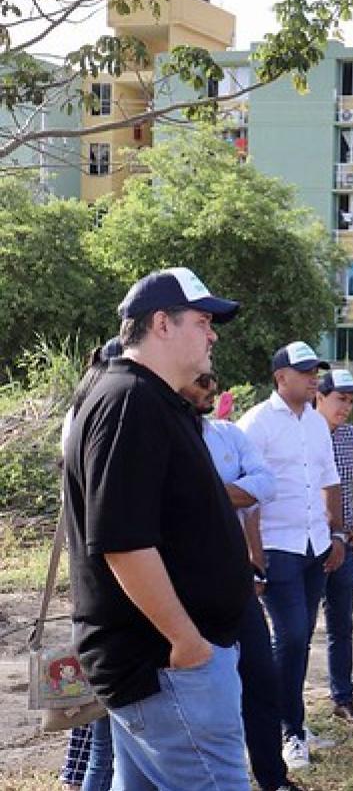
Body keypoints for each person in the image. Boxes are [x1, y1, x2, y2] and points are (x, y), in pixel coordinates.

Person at [62, 267, 252, 789]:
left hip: (162, 668)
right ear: (162, 324)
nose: (212, 334)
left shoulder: (145, 397)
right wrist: (186, 642)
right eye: (203, 320)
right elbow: (123, 544)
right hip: (169, 667)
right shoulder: (130, 401)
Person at [183, 371, 300, 791]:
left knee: (261, 678)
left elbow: (266, 484)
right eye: (199, 381)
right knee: (201, 690)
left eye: (210, 380)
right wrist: (233, 491)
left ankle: (272, 777)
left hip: (235, 578)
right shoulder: (164, 436)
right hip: (182, 584)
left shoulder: (227, 435)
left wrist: (211, 492)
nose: (208, 388)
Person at [239, 341, 343, 770]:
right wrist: (254, 555)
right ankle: (286, 731)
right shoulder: (256, 424)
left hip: (314, 544)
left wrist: (337, 534)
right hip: (277, 546)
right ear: (280, 377)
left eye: (315, 370)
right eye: (304, 371)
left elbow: (330, 479)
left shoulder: (316, 423)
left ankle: (294, 720)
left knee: (300, 641)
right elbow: (245, 495)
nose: (312, 377)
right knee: (292, 635)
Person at [58, 339, 122, 791]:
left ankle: (74, 775)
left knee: (95, 716)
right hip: (109, 581)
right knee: (104, 728)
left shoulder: (82, 408)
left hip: (88, 576)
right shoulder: (107, 412)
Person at [314, 369, 353, 722]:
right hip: (306, 543)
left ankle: (343, 697)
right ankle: (288, 710)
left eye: (351, 401)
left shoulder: (349, 435)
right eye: (341, 399)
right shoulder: (301, 433)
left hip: (344, 545)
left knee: (341, 622)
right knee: (298, 629)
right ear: (319, 398)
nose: (347, 407)